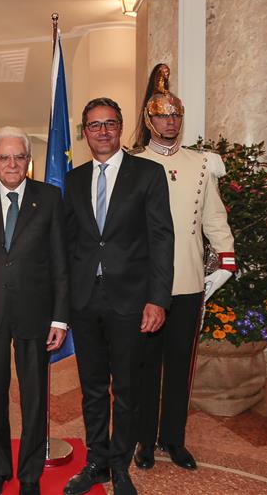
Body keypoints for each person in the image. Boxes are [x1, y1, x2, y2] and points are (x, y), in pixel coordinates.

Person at [62, 98, 174, 495]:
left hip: (131, 300)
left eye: (110, 123)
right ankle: (96, 462)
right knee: (92, 388)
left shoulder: (148, 174)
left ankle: (120, 465)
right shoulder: (74, 180)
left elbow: (162, 238)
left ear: (121, 127)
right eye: (94, 125)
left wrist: (158, 299)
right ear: (85, 132)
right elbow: (69, 243)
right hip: (84, 301)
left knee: (126, 389)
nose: (103, 131)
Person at [131, 65, 236, 471]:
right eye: (162, 116)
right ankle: (144, 441)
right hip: (144, 285)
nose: (170, 122)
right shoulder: (133, 163)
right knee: (145, 368)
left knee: (179, 367)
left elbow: (214, 218)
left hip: (189, 280)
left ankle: (173, 439)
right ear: (149, 120)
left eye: (175, 115)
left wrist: (225, 259)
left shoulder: (201, 164)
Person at [0, 127, 68, 495]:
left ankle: (30, 474)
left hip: (35, 313)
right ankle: (0, 469)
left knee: (34, 397)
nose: (12, 164)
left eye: (19, 156)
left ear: (28, 160)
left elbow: (60, 262)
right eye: (4, 157)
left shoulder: (49, 198)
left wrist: (60, 317)